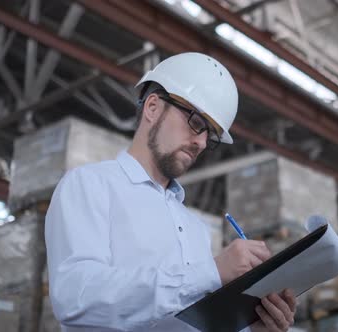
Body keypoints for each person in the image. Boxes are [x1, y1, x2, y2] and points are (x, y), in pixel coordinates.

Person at [45, 52, 297, 331]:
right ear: (153, 107)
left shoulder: (195, 229)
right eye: (197, 123)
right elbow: (76, 298)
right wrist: (211, 271)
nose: (201, 142)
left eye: (209, 135)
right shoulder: (89, 186)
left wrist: (252, 327)